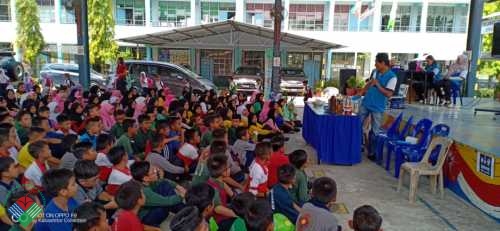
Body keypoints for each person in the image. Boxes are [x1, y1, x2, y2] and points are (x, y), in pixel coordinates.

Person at [357, 53, 397, 160]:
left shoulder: (392, 77)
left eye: (376, 62)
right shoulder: (375, 72)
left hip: (378, 108)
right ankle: (359, 146)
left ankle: (372, 153)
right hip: (366, 103)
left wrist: (377, 84)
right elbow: (370, 83)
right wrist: (362, 91)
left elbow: (389, 94)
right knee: (357, 124)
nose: (375, 65)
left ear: (383, 63)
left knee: (374, 131)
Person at [130, 161, 185, 227]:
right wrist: (182, 196)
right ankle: (185, 212)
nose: (156, 172)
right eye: (153, 172)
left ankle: (183, 210)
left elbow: (163, 181)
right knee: (166, 205)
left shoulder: (144, 181)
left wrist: (178, 186)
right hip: (146, 218)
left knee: (164, 185)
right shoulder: (145, 192)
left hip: (149, 207)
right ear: (145, 178)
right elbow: (167, 201)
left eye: (154, 169)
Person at [206, 154, 237, 224]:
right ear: (223, 172)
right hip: (219, 220)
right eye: (228, 167)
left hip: (224, 209)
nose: (230, 169)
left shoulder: (215, 179)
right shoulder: (214, 189)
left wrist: (235, 196)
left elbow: (229, 191)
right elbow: (218, 209)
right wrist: (238, 215)